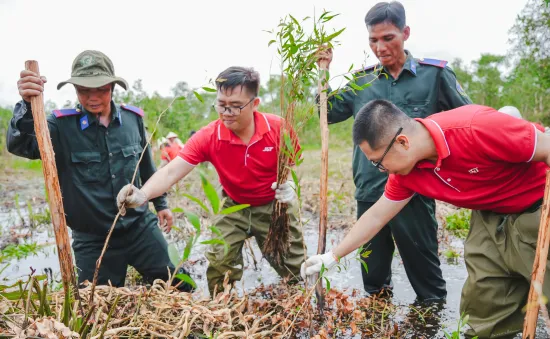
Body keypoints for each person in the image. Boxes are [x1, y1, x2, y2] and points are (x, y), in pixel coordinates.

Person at [302, 99, 550, 338]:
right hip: (489, 218)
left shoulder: (475, 128)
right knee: (484, 310)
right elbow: (377, 215)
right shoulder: (406, 172)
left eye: (379, 163)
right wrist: (332, 256)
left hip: (538, 209)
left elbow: (547, 148)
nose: (382, 170)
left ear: (402, 142)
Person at [315, 0, 472, 301]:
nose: (380, 47)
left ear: (405, 33)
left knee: (427, 280)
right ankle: (379, 320)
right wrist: (324, 72)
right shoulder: (362, 81)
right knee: (373, 279)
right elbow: (326, 112)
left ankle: (431, 320)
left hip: (415, 190)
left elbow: (465, 121)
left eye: (388, 38)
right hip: (370, 189)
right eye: (373, 40)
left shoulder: (434, 75)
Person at [6, 50, 192, 291]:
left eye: (101, 89)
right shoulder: (60, 126)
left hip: (140, 228)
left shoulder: (132, 119)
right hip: (93, 238)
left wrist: (162, 204)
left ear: (112, 87)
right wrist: (27, 105)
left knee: (179, 284)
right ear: (75, 90)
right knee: (96, 306)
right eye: (84, 90)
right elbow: (20, 145)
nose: (93, 97)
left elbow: (145, 165)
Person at [116, 66, 305, 295]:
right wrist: (143, 194)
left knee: (294, 264)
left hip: (274, 204)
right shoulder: (209, 136)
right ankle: (221, 308)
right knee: (220, 261)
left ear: (255, 104)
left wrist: (291, 186)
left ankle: (302, 301)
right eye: (221, 104)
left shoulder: (277, 127)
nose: (226, 112)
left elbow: (294, 162)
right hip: (233, 205)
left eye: (236, 106)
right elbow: (171, 172)